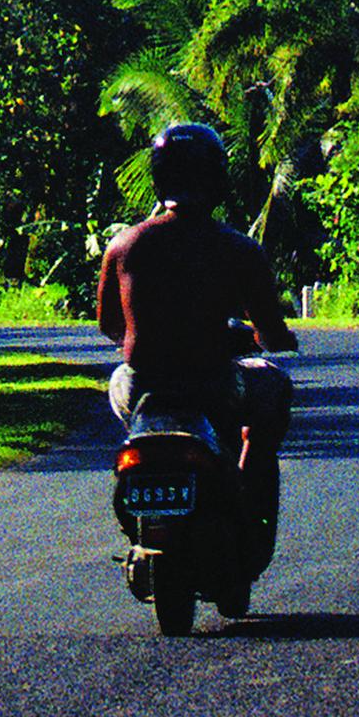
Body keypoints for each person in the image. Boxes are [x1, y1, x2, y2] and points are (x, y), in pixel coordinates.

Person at [94, 120, 296, 465]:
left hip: (140, 385)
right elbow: (271, 333)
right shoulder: (239, 248)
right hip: (213, 384)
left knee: (119, 381)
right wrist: (272, 338)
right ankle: (250, 495)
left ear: (159, 178)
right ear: (217, 179)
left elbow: (110, 324)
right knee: (274, 387)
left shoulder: (124, 244)